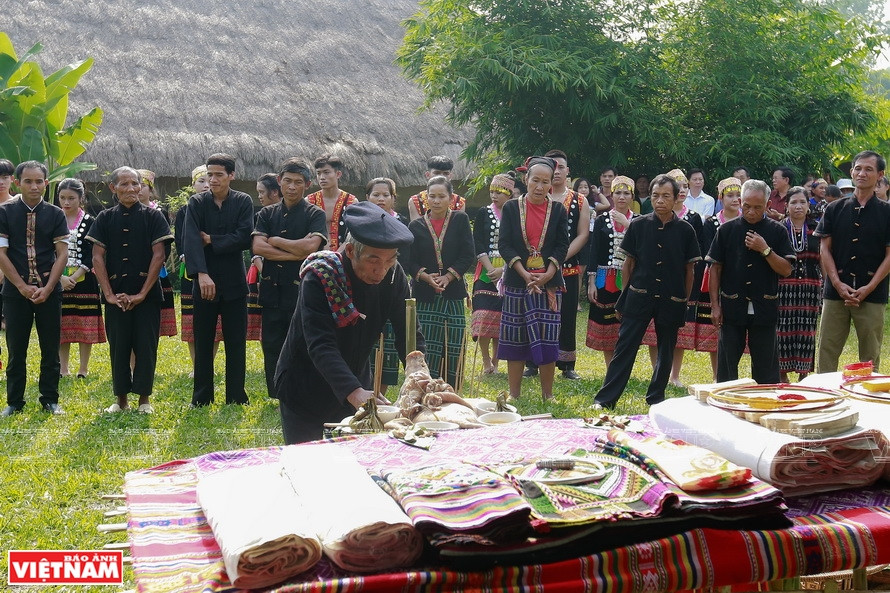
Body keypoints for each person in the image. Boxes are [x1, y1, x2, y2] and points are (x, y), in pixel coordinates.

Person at [275, 201, 422, 444]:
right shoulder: (321, 275)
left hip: (355, 378)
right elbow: (321, 344)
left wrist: (418, 372)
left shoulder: (394, 276)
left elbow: (408, 332)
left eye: (389, 260)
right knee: (306, 461)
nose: (381, 270)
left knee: (352, 459)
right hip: (305, 383)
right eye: (374, 260)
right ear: (352, 251)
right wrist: (354, 392)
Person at [593, 174, 700, 409]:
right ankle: (605, 399)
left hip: (672, 298)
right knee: (625, 347)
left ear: (675, 198)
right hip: (638, 296)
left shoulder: (686, 230)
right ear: (649, 198)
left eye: (666, 196)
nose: (660, 200)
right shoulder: (639, 225)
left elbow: (689, 271)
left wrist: (684, 300)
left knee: (665, 351)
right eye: (655, 196)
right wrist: (625, 297)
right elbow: (628, 264)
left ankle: (656, 399)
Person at [88, 167, 173, 413]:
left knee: (146, 346)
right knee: (119, 346)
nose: (131, 189)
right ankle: (121, 400)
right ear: (113, 189)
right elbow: (97, 258)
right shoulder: (104, 218)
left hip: (147, 295)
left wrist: (143, 293)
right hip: (116, 296)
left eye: (135, 184)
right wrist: (110, 295)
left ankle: (144, 399)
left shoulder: (154, 217)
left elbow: (159, 256)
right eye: (124, 184)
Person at [252, 158, 327, 399]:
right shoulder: (266, 213)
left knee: (303, 342)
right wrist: (295, 251)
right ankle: (277, 394)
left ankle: (302, 391)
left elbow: (312, 248)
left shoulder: (315, 214)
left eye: (298, 182)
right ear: (279, 182)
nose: (292, 187)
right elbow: (257, 247)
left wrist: (275, 241)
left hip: (303, 289)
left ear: (307, 184)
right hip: (272, 288)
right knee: (272, 343)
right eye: (287, 181)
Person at [708, 179, 794, 383]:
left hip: (764, 306)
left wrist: (765, 250)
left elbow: (786, 269)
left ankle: (765, 403)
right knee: (727, 366)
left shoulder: (777, 231)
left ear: (768, 205)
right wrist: (714, 306)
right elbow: (715, 269)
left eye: (758, 207)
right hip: (732, 306)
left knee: (766, 367)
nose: (752, 212)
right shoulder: (726, 230)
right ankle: (726, 401)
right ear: (739, 202)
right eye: (747, 206)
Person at [497, 156, 569, 402]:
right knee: (515, 337)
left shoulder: (559, 210)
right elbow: (504, 244)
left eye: (545, 182)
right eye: (535, 180)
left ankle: (547, 395)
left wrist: (550, 272)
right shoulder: (510, 208)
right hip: (519, 281)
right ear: (525, 179)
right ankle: (514, 395)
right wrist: (522, 271)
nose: (539, 187)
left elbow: (562, 245)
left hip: (548, 284)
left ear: (552, 184)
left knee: (548, 338)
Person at [184, 153, 253, 406]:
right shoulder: (197, 203)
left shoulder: (243, 201)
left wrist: (212, 239)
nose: (212, 180)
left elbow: (245, 237)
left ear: (231, 176)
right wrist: (201, 275)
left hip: (234, 281)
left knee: (236, 341)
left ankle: (236, 396)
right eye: (209, 174)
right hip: (203, 281)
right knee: (202, 340)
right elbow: (190, 240)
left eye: (218, 175)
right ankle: (201, 397)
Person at [0, 161, 68, 416]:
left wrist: (49, 288)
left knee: (50, 348)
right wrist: (20, 286)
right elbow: (1, 253)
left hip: (49, 290)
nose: (34, 186)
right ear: (18, 183)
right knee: (16, 348)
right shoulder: (5, 212)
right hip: (15, 293)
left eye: (39, 181)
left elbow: (61, 255)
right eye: (28, 181)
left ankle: (50, 399)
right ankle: (14, 401)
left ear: (46, 183)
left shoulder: (55, 213)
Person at [815, 150, 890, 372]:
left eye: (869, 169)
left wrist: (870, 287)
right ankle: (825, 398)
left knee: (870, 356)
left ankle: (868, 401)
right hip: (835, 292)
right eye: (858, 168)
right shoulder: (834, 208)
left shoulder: (887, 212)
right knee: (827, 350)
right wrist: (837, 283)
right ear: (851, 172)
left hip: (872, 293)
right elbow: (824, 249)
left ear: (880, 175)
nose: (862, 173)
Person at [525, 150, 589, 379]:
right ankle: (532, 362)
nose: (558, 171)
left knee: (567, 314)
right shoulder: (537, 198)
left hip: (568, 267)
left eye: (562, 167)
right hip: (535, 268)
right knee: (535, 312)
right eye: (555, 168)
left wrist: (559, 259)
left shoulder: (579, 200)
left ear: (567, 171)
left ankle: (567, 364)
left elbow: (582, 234)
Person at [407, 175, 474, 388]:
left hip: (453, 292)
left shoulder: (460, 220)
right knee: (428, 345)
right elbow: (408, 259)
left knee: (454, 344)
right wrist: (426, 277)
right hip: (425, 295)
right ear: (426, 198)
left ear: (451, 198)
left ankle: (453, 391)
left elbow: (467, 254)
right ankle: (428, 389)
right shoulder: (415, 225)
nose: (436, 201)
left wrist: (448, 276)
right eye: (432, 196)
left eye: (441, 196)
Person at [643, 168, 702, 387]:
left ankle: (673, 375)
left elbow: (694, 258)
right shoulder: (646, 222)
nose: (683, 190)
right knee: (652, 334)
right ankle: (656, 372)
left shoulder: (693, 220)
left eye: (685, 185)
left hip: (676, 282)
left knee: (675, 333)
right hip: (652, 283)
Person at [693, 177, 742, 379]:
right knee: (716, 328)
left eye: (738, 195)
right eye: (730, 195)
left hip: (740, 279)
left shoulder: (746, 221)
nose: (735, 199)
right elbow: (707, 252)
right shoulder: (711, 223)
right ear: (721, 198)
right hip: (715, 277)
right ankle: (717, 375)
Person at [174, 166, 221, 374]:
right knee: (191, 318)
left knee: (216, 320)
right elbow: (181, 241)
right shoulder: (185, 211)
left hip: (217, 269)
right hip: (192, 271)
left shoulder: (220, 206)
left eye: (208, 180)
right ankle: (196, 364)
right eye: (200, 181)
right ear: (193, 185)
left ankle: (209, 362)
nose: (205, 185)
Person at [57, 178, 106, 379]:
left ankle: (83, 368)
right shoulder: (53, 219)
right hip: (57, 278)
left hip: (84, 279)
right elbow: (48, 251)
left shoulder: (90, 222)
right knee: (62, 323)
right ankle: (63, 368)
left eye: (71, 198)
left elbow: (92, 253)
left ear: (81, 198)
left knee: (84, 323)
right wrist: (59, 277)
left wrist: (76, 276)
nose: (66, 202)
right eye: (62, 198)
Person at [366, 177, 410, 395]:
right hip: (365, 286)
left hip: (391, 284)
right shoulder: (358, 222)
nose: (381, 199)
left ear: (394, 198)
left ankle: (379, 394)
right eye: (376, 194)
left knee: (388, 346)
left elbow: (406, 257)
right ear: (367, 197)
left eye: (386, 195)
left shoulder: (401, 223)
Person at [586, 175, 635, 366]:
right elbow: (594, 251)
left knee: (628, 322)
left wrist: (628, 224)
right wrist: (591, 282)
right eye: (618, 193)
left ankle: (624, 365)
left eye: (626, 193)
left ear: (632, 196)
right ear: (612, 195)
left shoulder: (638, 221)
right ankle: (610, 367)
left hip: (631, 277)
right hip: (604, 277)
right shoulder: (601, 220)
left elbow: (643, 245)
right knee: (607, 322)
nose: (621, 197)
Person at [777, 187, 821, 382]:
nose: (798, 206)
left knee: (807, 330)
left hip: (810, 287)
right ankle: (782, 375)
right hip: (783, 287)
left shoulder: (817, 229)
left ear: (808, 205)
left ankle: (804, 376)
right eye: (793, 202)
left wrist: (826, 286)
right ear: (786, 206)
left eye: (802, 202)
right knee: (782, 330)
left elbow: (823, 260)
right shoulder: (778, 228)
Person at [472, 173, 511, 375]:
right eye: (492, 192)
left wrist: (503, 269)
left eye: (499, 192)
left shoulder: (515, 214)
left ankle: (496, 362)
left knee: (500, 318)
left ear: (510, 194)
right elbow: (477, 241)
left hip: (509, 269)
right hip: (485, 270)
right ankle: (486, 361)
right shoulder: (483, 213)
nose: (494, 196)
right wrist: (490, 268)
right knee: (483, 315)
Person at [137, 169, 177, 339]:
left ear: (151, 189)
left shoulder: (159, 213)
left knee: (153, 319)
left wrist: (156, 262)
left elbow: (165, 243)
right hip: (131, 268)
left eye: (143, 185)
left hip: (155, 268)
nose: (138, 189)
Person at [247, 173, 282, 342]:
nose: (259, 196)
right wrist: (265, 273)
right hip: (263, 272)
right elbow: (255, 251)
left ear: (274, 192)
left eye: (262, 192)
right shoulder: (259, 217)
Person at [305, 154, 357, 251]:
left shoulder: (351, 202)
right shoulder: (309, 202)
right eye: (318, 173)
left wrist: (338, 255)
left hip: (343, 257)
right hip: (313, 257)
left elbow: (354, 234)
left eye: (326, 172)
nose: (322, 177)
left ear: (338, 174)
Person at [407, 155, 467, 220]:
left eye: (445, 173)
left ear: (450, 176)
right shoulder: (416, 201)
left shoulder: (459, 202)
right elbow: (416, 228)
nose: (441, 176)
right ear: (427, 175)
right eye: (437, 173)